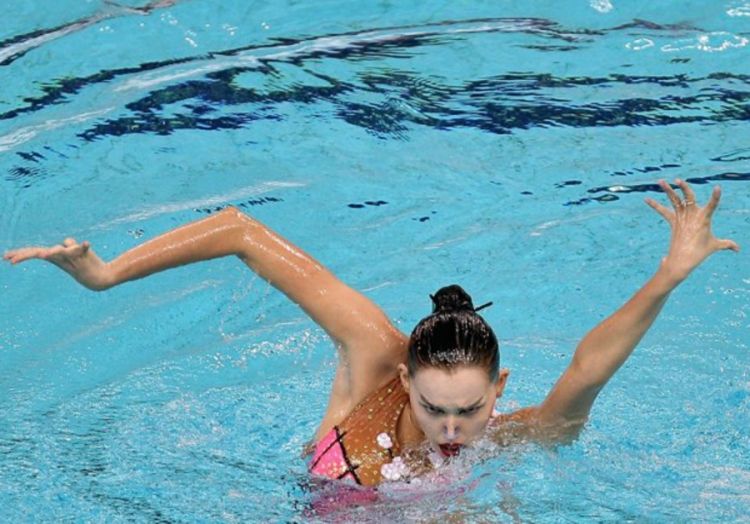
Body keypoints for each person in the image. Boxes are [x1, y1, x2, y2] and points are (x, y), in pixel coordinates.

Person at [3, 179, 739, 486]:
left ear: (499, 392)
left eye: (469, 411)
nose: (452, 430)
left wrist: (669, 275)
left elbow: (588, 369)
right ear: (405, 382)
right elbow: (240, 231)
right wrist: (104, 277)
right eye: (432, 407)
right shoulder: (373, 359)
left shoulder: (517, 436)